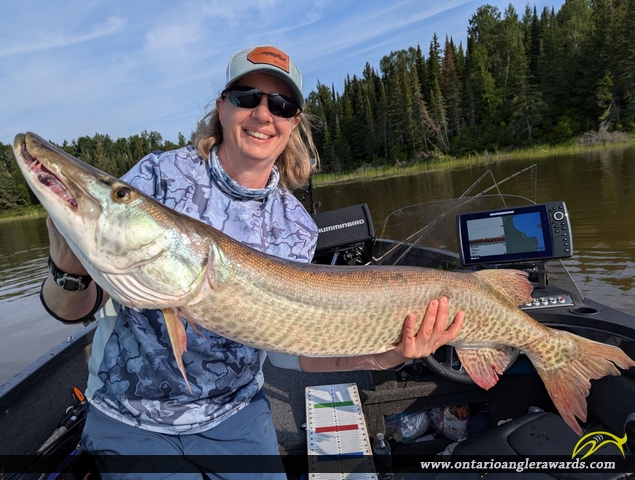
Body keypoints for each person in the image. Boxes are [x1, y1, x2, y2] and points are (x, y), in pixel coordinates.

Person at [41, 45, 464, 479]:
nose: (264, 114)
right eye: (248, 97)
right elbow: (71, 310)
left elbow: (292, 355)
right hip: (131, 416)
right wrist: (67, 269)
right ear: (222, 107)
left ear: (292, 123)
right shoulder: (158, 177)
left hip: (236, 416)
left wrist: (385, 358)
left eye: (281, 105)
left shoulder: (295, 226)